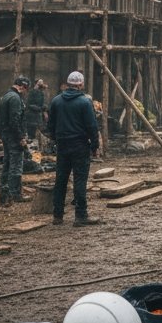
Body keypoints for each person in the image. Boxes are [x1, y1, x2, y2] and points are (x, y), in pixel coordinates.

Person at [47, 70, 101, 226]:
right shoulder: (85, 102)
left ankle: (57, 216)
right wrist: (95, 146)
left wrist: (55, 140)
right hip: (80, 146)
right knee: (80, 180)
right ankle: (80, 216)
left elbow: (50, 125)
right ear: (81, 84)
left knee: (61, 180)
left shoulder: (56, 100)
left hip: (63, 146)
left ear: (68, 83)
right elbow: (92, 126)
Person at [0, 75, 31, 206]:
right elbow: (15, 120)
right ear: (23, 87)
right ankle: (14, 195)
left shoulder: (6, 96)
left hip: (6, 135)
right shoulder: (15, 98)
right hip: (13, 137)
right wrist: (21, 138)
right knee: (16, 166)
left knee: (6, 164)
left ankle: (4, 195)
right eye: (25, 89)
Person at [23, 79, 49, 143]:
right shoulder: (32, 92)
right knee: (31, 134)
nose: (41, 84)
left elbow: (43, 103)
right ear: (36, 84)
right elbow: (29, 104)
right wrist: (39, 108)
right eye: (39, 82)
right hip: (31, 115)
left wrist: (44, 110)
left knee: (39, 133)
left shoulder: (42, 93)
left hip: (38, 116)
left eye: (42, 82)